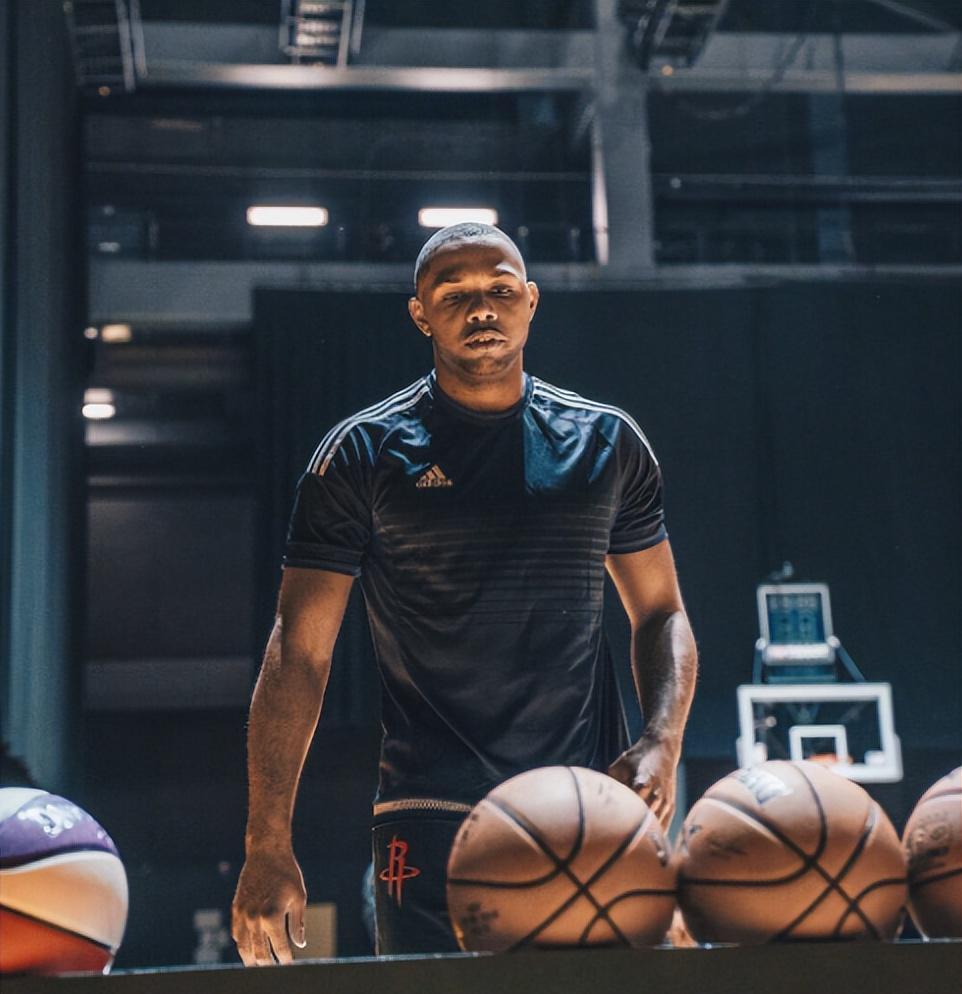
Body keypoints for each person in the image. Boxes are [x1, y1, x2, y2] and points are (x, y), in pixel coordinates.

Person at [231, 223, 697, 963]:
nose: (482, 307)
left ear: (531, 302)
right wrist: (266, 843)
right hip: (431, 810)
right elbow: (300, 655)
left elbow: (661, 612)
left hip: (589, 799)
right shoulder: (361, 454)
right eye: (454, 295)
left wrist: (661, 744)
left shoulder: (606, 442)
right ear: (420, 314)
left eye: (500, 289)